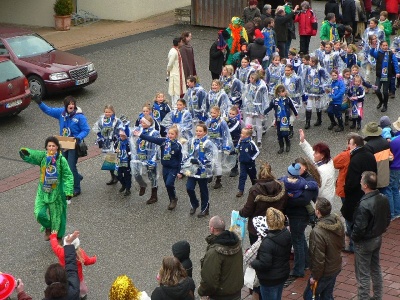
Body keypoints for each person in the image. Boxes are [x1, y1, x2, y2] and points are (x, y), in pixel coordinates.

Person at [33, 95, 90, 197]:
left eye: (73, 104)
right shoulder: (61, 113)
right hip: (63, 144)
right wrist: (40, 103)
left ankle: (76, 188)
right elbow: (49, 110)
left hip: (73, 145)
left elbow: (86, 129)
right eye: (69, 104)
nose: (71, 105)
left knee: (71, 167)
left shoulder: (80, 116)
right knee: (64, 166)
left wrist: (78, 137)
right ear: (65, 105)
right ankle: (77, 176)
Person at [19, 136, 73, 241]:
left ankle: (58, 236)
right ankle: (48, 227)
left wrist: (68, 191)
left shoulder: (62, 161)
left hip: (56, 193)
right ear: (46, 147)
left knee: (58, 217)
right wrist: (25, 152)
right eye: (49, 146)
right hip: (43, 192)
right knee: (39, 213)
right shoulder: (43, 157)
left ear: (57, 147)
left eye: (53, 146)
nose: (51, 148)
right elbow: (33, 155)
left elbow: (68, 176)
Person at [352, 171, 391, 299]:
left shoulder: (364, 205)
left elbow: (359, 229)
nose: (360, 181)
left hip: (364, 242)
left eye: (361, 180)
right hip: (377, 238)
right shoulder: (383, 198)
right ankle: (378, 297)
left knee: (363, 275)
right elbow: (387, 218)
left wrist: (354, 238)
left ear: (365, 185)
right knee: (376, 269)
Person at [341, 133, 377, 253]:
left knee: (351, 219)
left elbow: (351, 182)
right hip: (367, 193)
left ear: (355, 145)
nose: (348, 146)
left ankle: (353, 246)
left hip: (355, 196)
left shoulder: (355, 159)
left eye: (349, 144)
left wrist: (346, 189)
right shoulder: (370, 155)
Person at [303, 197, 345, 300]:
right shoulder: (337, 222)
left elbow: (318, 258)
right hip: (335, 266)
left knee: (309, 295)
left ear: (317, 211)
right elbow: (342, 244)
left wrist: (315, 277)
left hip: (324, 272)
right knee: (327, 295)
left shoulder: (317, 232)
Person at [285, 157, 320, 278]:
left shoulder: (308, 180)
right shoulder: (302, 179)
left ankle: (299, 269)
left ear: (305, 167)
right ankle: (306, 262)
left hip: (299, 216)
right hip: (298, 215)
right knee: (300, 238)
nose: (297, 169)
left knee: (297, 240)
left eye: (299, 167)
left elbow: (304, 199)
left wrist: (288, 200)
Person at [133, 125, 182, 210]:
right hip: (165, 167)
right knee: (167, 185)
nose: (170, 135)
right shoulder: (164, 141)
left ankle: (173, 199)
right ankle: (172, 198)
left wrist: (179, 171)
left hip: (173, 168)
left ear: (176, 135)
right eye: (169, 133)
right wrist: (140, 135)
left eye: (172, 134)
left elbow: (180, 159)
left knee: (169, 184)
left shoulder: (177, 145)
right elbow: (152, 139)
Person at [239, 162, 288, 244]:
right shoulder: (281, 187)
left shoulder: (255, 190)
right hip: (277, 226)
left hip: (257, 230)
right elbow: (285, 205)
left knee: (258, 253)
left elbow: (248, 210)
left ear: (260, 173)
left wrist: (240, 213)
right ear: (271, 172)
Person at [198, 215, 243, 300]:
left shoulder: (214, 252)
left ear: (212, 229)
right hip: (236, 291)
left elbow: (209, 281)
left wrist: (202, 291)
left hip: (221, 295)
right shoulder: (236, 244)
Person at [251, 208, 292, 300]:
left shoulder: (267, 243)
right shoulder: (286, 234)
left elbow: (264, 264)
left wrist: (253, 263)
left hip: (269, 280)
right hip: (282, 274)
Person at [181, 123, 217, 218]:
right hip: (192, 170)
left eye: (200, 131)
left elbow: (210, 157)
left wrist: (199, 161)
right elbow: (187, 152)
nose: (198, 133)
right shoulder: (192, 140)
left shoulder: (208, 143)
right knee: (189, 188)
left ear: (205, 132)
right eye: (197, 131)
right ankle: (194, 204)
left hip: (202, 170)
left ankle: (205, 209)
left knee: (203, 190)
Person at [50, 232, 97, 299]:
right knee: (82, 289)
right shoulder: (80, 253)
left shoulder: (60, 251)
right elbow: (88, 261)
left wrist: (53, 237)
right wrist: (94, 259)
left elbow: (54, 246)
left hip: (64, 275)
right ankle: (83, 297)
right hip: (77, 277)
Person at [299, 129, 336, 203]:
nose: (313, 154)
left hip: (323, 200)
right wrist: (303, 141)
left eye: (316, 153)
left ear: (322, 156)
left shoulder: (323, 170)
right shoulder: (327, 160)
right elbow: (311, 153)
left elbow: (319, 187)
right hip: (328, 195)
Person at [131, 115, 160, 204]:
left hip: (150, 158)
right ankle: (142, 185)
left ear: (149, 123)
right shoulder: (139, 130)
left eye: (143, 122)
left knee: (152, 176)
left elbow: (156, 147)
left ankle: (154, 196)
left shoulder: (154, 133)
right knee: (135, 173)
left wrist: (153, 159)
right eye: (141, 122)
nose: (141, 123)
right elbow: (133, 140)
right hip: (139, 156)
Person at [44, 231, 80, 300]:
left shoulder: (47, 297)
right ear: (65, 276)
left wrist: (53, 237)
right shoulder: (74, 289)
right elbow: (71, 268)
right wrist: (68, 244)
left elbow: (54, 246)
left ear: (47, 281)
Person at [93, 104, 123, 185]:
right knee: (109, 161)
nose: (107, 113)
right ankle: (113, 177)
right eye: (106, 112)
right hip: (106, 144)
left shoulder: (117, 121)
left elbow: (120, 130)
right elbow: (97, 129)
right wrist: (100, 137)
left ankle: (118, 177)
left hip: (114, 144)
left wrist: (116, 137)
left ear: (113, 112)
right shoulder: (101, 120)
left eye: (109, 112)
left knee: (115, 161)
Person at [264, 84, 298, 154]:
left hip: (285, 119)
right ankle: (281, 147)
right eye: (282, 92)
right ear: (278, 93)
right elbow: (270, 107)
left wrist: (296, 114)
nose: (284, 93)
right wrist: (264, 112)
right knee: (279, 134)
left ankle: (288, 144)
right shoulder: (274, 101)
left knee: (285, 133)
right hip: (278, 119)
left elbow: (292, 107)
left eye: (284, 91)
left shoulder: (287, 100)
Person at [205, 106, 233, 189]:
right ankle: (209, 174)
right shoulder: (208, 121)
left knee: (217, 163)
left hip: (219, 146)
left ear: (218, 113)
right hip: (210, 145)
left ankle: (218, 180)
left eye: (214, 113)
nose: (212, 114)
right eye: (211, 113)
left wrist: (226, 146)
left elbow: (226, 135)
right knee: (208, 161)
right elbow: (205, 131)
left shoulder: (222, 122)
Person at [369, 40, 400, 112]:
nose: (385, 47)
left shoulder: (390, 53)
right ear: (380, 46)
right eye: (383, 45)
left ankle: (385, 105)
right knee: (376, 90)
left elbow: (395, 63)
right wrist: (373, 48)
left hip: (387, 75)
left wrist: (397, 72)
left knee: (385, 92)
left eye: (386, 45)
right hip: (379, 75)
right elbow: (371, 53)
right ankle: (381, 101)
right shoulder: (378, 53)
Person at [243, 72, 268, 148]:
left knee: (258, 125)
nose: (249, 79)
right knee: (248, 124)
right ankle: (252, 135)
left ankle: (259, 140)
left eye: (251, 78)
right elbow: (246, 95)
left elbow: (265, 99)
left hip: (258, 108)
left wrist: (264, 110)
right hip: (250, 107)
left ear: (254, 79)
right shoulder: (249, 85)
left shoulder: (262, 87)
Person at [235, 126, 260, 197]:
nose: (241, 135)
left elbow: (257, 151)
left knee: (253, 177)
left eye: (243, 134)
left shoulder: (251, 143)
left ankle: (256, 188)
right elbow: (237, 149)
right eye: (241, 133)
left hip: (250, 164)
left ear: (247, 135)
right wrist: (232, 152)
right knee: (242, 176)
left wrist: (252, 158)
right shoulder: (241, 141)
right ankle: (241, 190)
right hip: (242, 163)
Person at [167, 37, 187, 109]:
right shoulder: (173, 52)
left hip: (178, 74)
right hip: (175, 75)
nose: (182, 43)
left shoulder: (176, 50)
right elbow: (170, 64)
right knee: (176, 92)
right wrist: (168, 71)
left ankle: (176, 106)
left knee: (177, 91)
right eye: (181, 42)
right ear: (178, 43)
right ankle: (176, 107)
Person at [387, 118, 400, 220]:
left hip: (394, 166)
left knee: (391, 188)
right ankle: (397, 211)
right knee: (396, 189)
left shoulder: (394, 141)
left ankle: (392, 213)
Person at [115, 129, 132, 196]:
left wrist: (129, 154)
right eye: (120, 135)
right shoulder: (118, 141)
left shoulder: (129, 142)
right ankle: (123, 184)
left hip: (127, 162)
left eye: (123, 135)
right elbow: (114, 148)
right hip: (118, 161)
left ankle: (128, 189)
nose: (121, 136)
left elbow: (133, 152)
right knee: (117, 174)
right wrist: (115, 150)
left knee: (127, 176)